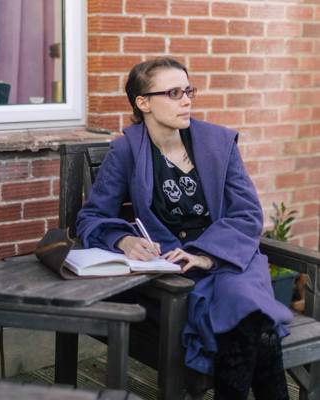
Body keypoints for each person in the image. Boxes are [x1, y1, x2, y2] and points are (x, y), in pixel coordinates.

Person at [76, 57, 294, 400]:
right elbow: (91, 218)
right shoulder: (126, 152)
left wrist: (207, 254)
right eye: (174, 92)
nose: (187, 100)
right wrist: (124, 240)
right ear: (143, 102)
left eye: (188, 90)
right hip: (174, 271)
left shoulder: (219, 144)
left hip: (228, 257)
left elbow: (247, 213)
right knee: (257, 326)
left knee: (243, 306)